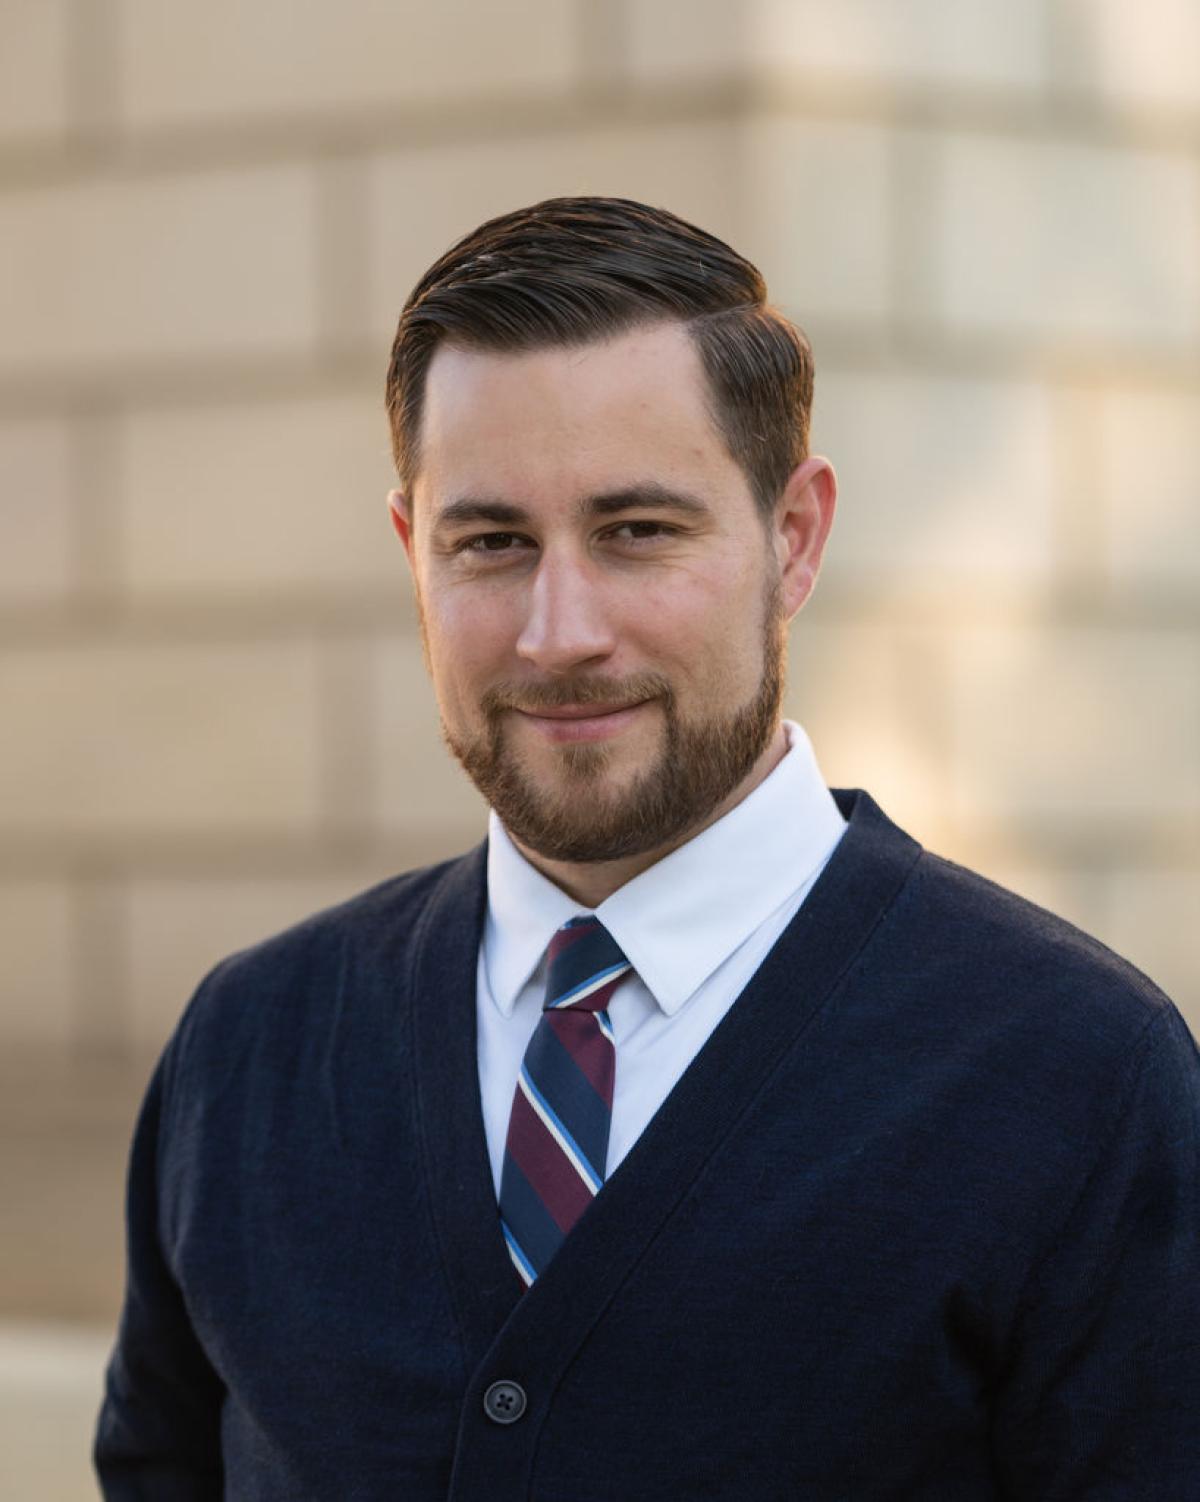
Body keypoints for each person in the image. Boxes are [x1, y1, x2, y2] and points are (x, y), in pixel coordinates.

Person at [95, 196, 1200, 1500]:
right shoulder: (251, 1046)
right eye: (492, 541)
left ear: (794, 539)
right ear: (413, 552)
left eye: (637, 532)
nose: (560, 632)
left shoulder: (1078, 1078)